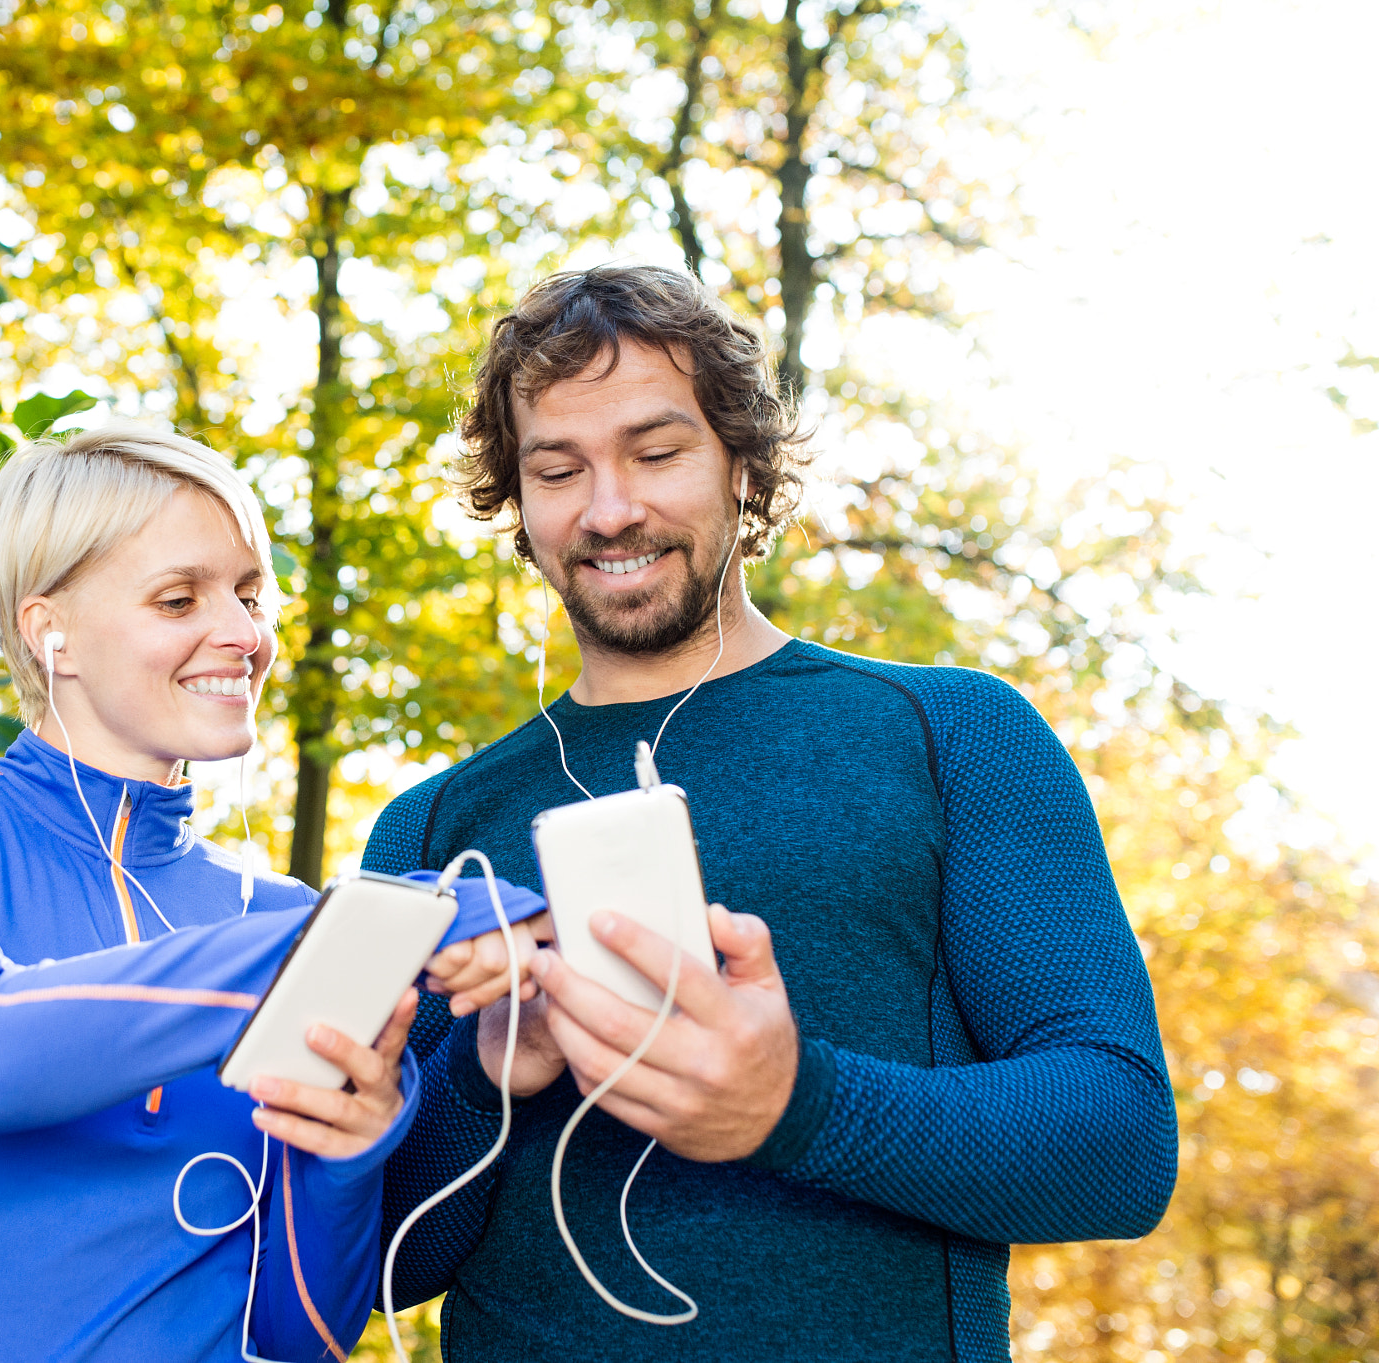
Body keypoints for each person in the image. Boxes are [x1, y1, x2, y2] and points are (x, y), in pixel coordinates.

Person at [367, 266, 1179, 1362]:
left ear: (740, 462)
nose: (610, 508)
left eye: (656, 454)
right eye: (558, 469)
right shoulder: (430, 828)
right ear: (519, 503)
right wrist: (484, 1077)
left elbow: (1117, 1150)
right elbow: (385, 1261)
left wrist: (796, 1105)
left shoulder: (951, 733)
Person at [0, 423, 542, 1362]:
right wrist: (361, 933)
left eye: (249, 593)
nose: (243, 634)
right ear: (48, 629)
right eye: (180, 597)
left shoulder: (272, 914)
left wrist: (351, 1153)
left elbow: (299, 1331)